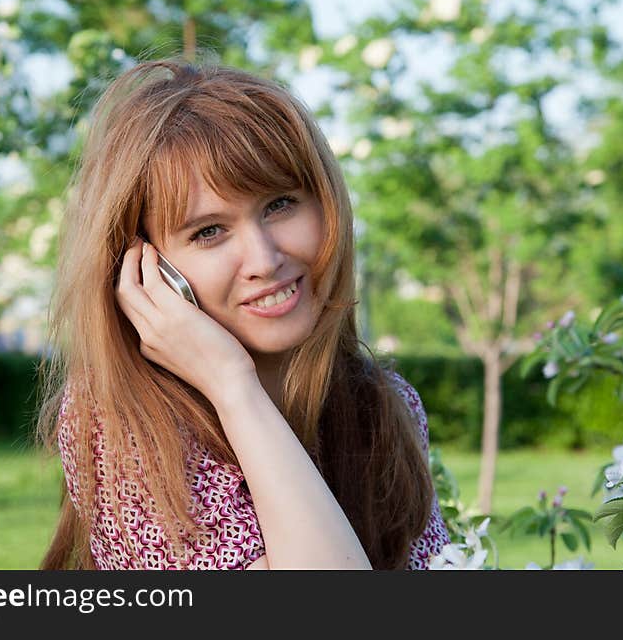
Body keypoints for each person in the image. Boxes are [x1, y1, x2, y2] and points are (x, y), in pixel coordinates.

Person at [36, 57, 450, 570]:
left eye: (280, 204)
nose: (264, 259)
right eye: (208, 232)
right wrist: (234, 387)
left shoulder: (383, 407)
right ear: (144, 270)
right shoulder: (124, 429)